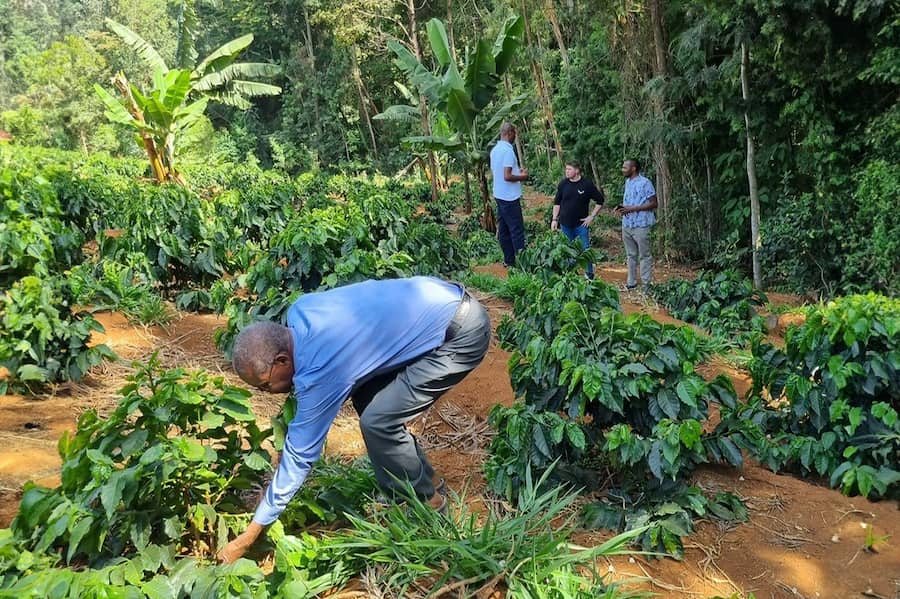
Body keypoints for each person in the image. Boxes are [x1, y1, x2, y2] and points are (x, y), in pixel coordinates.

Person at [217, 276, 491, 563]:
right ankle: (429, 482)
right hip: (443, 300)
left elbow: (300, 459)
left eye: (266, 385)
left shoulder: (319, 367)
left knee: (378, 421)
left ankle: (427, 505)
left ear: (283, 361)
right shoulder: (300, 312)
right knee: (367, 399)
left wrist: (247, 538)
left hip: (461, 335)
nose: (269, 392)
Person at [551, 161, 606, 279]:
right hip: (565, 224)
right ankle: (570, 275)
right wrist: (554, 219)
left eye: (569, 169)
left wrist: (592, 216)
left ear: (577, 171)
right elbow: (557, 203)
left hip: (581, 225)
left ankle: (589, 275)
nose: (567, 171)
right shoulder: (563, 184)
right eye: (566, 169)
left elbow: (600, 201)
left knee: (585, 249)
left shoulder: (587, 185)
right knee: (568, 250)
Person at [489, 122, 529, 267]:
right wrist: (523, 176)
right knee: (516, 230)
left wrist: (517, 173)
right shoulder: (508, 151)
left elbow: (497, 173)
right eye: (514, 133)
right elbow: (507, 175)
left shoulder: (494, 150)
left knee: (504, 229)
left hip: (499, 194)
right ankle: (522, 264)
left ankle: (509, 260)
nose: (515, 136)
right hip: (509, 197)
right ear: (509, 133)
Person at [614, 159, 658, 290]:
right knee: (631, 254)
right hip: (627, 224)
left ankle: (646, 284)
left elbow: (654, 203)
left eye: (625, 167)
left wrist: (632, 209)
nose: (622, 169)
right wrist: (621, 208)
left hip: (641, 224)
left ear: (633, 169)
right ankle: (631, 282)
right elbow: (631, 201)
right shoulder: (627, 182)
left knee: (644, 255)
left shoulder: (645, 183)